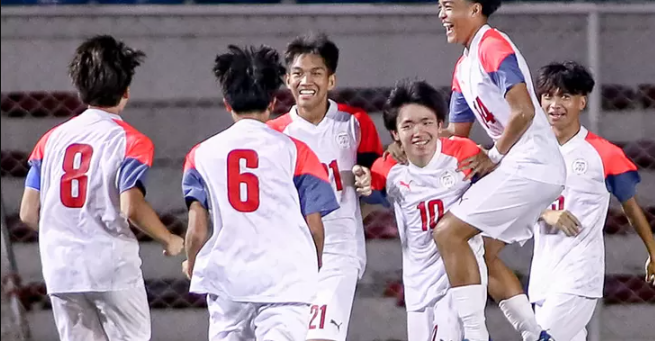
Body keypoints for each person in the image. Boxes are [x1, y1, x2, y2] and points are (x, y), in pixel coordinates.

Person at [423, 0, 567, 341]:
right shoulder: (463, 66)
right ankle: (536, 334)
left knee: (449, 233)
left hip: (530, 163)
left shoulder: (492, 45)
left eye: (448, 6)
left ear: (475, 8)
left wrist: (494, 156)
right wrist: (417, 143)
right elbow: (457, 135)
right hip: (528, 167)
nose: (441, 15)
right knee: (479, 252)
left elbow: (523, 109)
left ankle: (474, 334)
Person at [19, 35, 183, 341]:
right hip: (111, 267)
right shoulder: (130, 141)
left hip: (61, 268)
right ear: (126, 92)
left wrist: (68, 232)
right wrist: (169, 238)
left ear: (80, 90)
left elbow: (29, 213)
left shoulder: (51, 139)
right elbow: (131, 206)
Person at [182, 45, 339, 341]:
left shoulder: (200, 155)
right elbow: (315, 227)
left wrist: (192, 261)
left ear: (226, 103)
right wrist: (313, 261)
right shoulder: (297, 151)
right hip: (285, 278)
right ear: (272, 101)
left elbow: (197, 230)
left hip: (229, 280)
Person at [529, 61, 655, 341]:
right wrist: (545, 213)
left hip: (578, 276)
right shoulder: (528, 152)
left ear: (582, 101)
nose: (555, 103)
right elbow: (513, 202)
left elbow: (630, 206)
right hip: (542, 276)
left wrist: (653, 252)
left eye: (564, 96)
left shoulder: (604, 154)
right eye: (548, 96)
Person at [267, 34, 383, 341]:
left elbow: (376, 184)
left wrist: (365, 189)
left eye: (316, 73)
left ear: (331, 80)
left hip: (339, 247)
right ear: (287, 79)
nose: (307, 80)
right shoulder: (273, 134)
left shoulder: (355, 122)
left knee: (321, 335)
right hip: (288, 250)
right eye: (298, 73)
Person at [371, 79, 488, 341]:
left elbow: (503, 189)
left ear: (440, 125)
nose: (418, 131)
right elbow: (367, 193)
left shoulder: (464, 154)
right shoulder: (387, 168)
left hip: (457, 280)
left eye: (426, 122)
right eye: (408, 125)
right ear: (395, 134)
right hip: (417, 286)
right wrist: (362, 177)